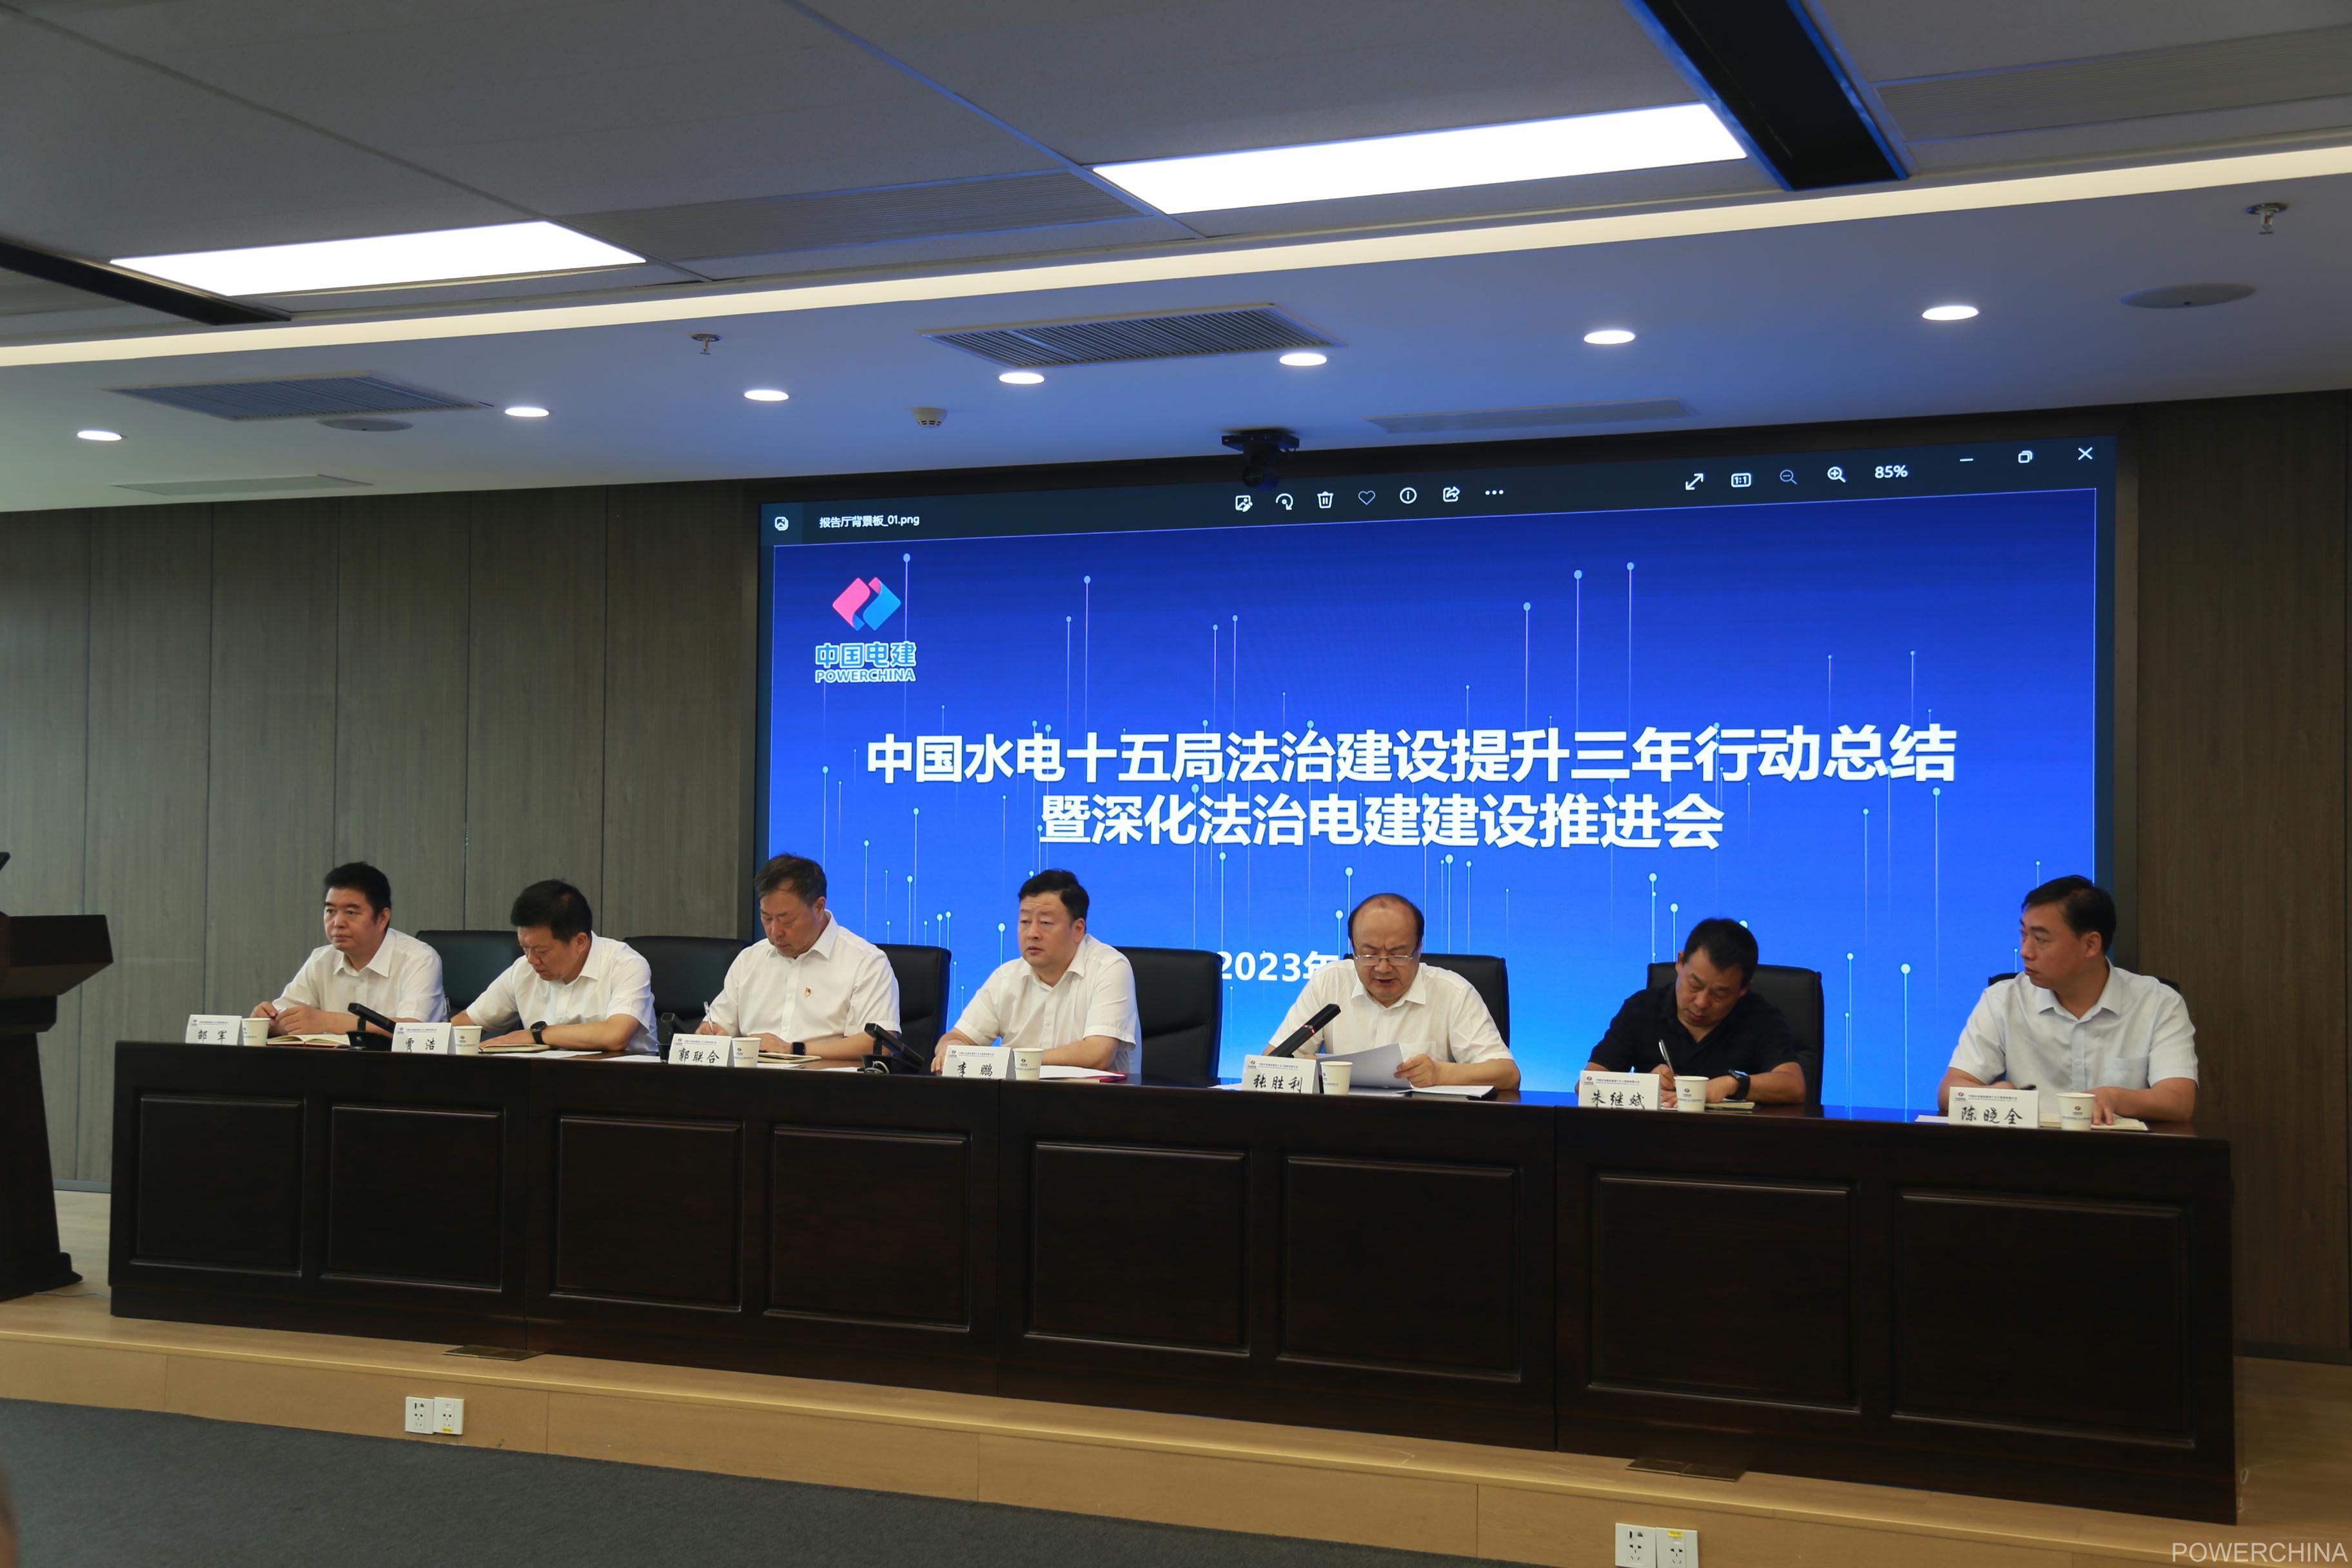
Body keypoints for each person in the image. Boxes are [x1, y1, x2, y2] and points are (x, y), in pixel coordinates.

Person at [1939, 876, 2196, 1124]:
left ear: (2090, 945)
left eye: (2041, 939)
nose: (2026, 952)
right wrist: (1992, 1094)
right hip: (2027, 1150)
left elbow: (2179, 1101)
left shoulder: (2159, 1003)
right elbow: (1949, 1091)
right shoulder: (2002, 999)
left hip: (2121, 1151)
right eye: (2024, 935)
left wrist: (2113, 1097)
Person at [1269, 893, 1518, 1090]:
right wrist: (1304, 1071)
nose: (1383, 967)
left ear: (1419, 949)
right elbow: (1271, 1062)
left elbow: (1508, 1075)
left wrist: (1441, 1073)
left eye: (1398, 955)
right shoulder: (1329, 982)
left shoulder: (1453, 992)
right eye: (1369, 954)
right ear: (1353, 947)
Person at [934, 869, 1139, 1077]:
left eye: (1045, 923)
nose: (1032, 933)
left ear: (1078, 929)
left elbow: (1098, 1053)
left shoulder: (1109, 967)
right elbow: (958, 1038)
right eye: (1025, 922)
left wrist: (1012, 1061)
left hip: (1092, 1097)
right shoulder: (1006, 978)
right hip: (1016, 1097)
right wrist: (949, 1051)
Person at [696, 853, 899, 1059]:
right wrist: (709, 1034)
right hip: (752, 1076)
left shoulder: (866, 962)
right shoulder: (749, 960)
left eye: (786, 920)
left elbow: (878, 1045)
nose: (775, 931)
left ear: (819, 907)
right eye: (767, 918)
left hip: (825, 1077)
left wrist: (794, 1049)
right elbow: (718, 1025)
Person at [1587, 917, 1806, 1105]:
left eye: (1719, 994)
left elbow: (1794, 1086)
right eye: (1695, 985)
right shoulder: (1642, 1008)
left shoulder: (1761, 1018)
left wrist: (1734, 1084)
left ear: (1743, 989)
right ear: (1680, 963)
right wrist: (1643, 1085)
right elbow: (1589, 1084)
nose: (1701, 1003)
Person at [453, 879, 658, 1055]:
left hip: (622, 1079)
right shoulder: (523, 970)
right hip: (543, 1080)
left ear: (579, 942)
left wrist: (536, 1035)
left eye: (541, 951)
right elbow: (466, 1021)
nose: (532, 960)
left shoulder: (625, 965)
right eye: (525, 948)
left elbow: (616, 1036)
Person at [251, 862, 445, 1039]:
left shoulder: (419, 959)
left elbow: (412, 1030)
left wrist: (328, 1022)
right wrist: (268, 1023)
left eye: (351, 912)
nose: (338, 923)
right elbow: (285, 1017)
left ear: (382, 918)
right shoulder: (321, 960)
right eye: (330, 911)